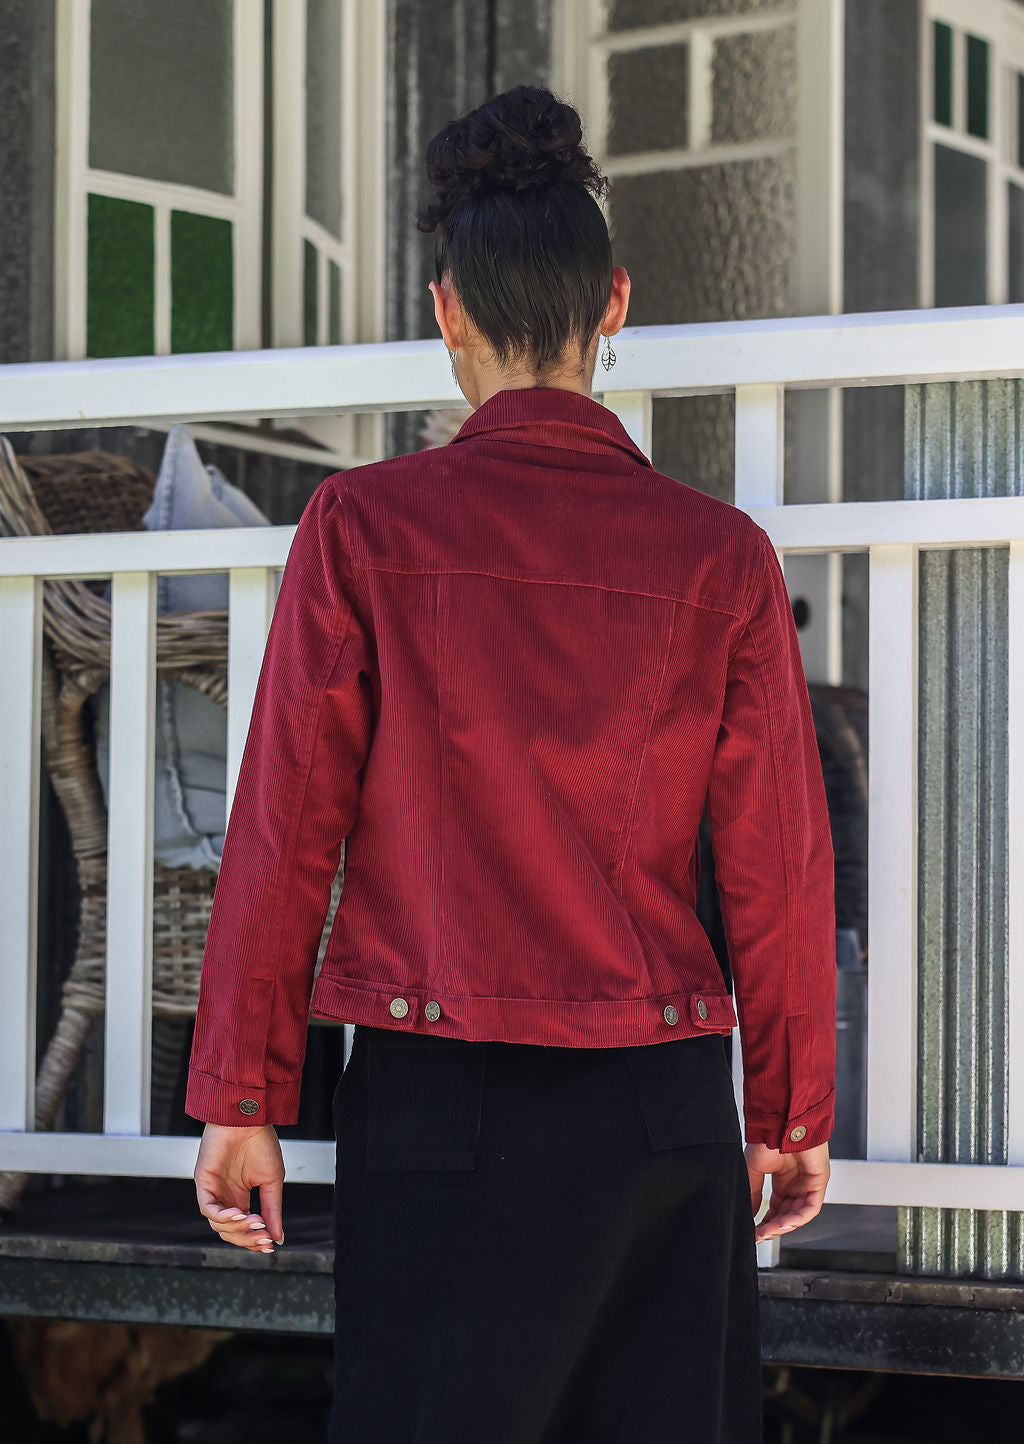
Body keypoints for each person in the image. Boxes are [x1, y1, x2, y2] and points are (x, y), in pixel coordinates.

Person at [186, 84, 836, 1443]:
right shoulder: (722, 559)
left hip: (441, 1095)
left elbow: (286, 828)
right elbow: (777, 861)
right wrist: (788, 1109)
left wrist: (242, 1094)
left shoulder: (361, 529)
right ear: (616, 306)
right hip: (659, 1103)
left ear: (447, 314)